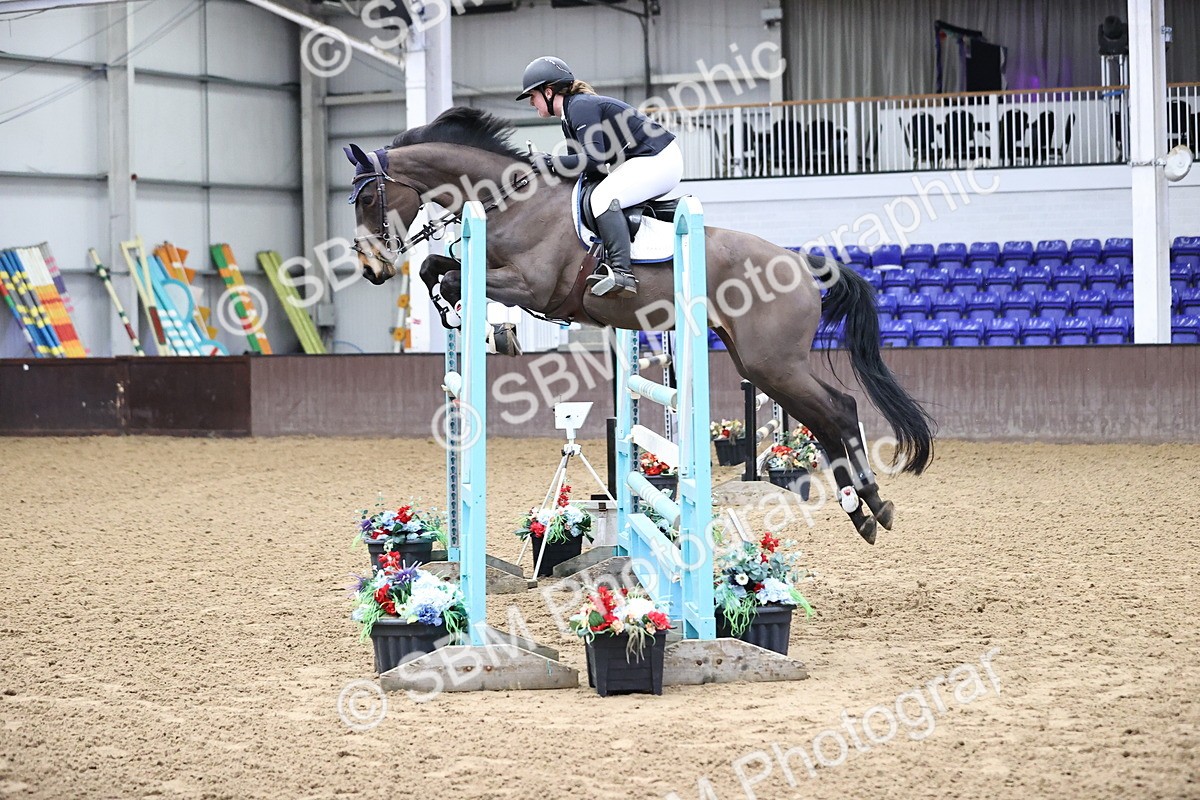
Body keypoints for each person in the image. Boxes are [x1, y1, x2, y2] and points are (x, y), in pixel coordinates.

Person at [516, 56, 682, 297]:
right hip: (647, 160)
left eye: (533, 95)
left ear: (549, 92)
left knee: (603, 197)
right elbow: (587, 171)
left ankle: (622, 273)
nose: (531, 102)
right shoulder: (570, 116)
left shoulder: (581, 106)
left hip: (659, 159)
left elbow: (594, 159)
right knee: (593, 194)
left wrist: (550, 161)